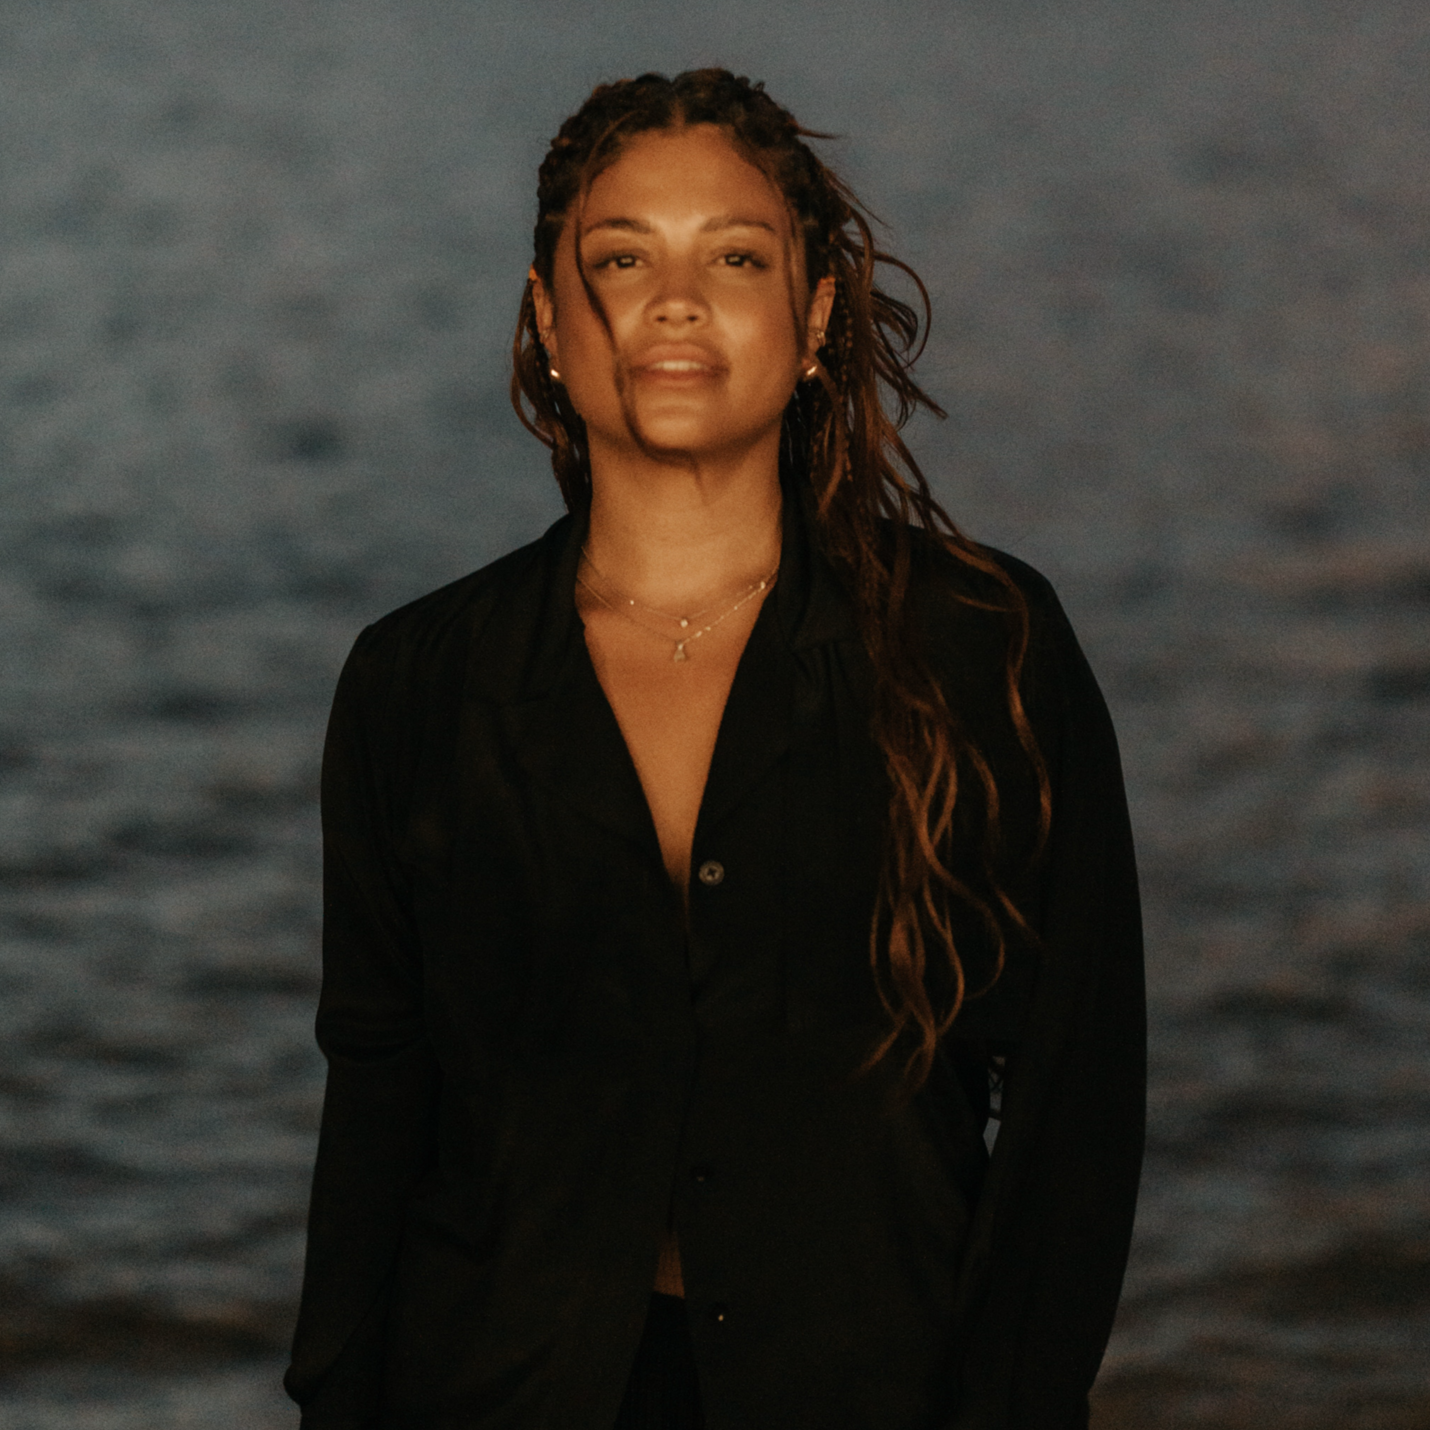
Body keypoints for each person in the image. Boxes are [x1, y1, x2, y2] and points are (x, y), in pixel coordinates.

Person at [284, 69, 1145, 1430]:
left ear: (813, 318)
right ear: (548, 319)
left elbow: (1075, 1103)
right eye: (622, 259)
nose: (675, 301)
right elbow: (378, 1107)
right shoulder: (418, 684)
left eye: (734, 257)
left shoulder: (982, 645)